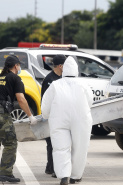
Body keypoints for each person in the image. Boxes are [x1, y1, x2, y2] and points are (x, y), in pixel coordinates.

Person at [41, 56, 93, 185]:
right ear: (75, 70)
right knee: (80, 147)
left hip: (58, 120)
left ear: (64, 71)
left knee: (60, 148)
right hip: (81, 120)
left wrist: (46, 115)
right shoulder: (84, 84)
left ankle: (64, 176)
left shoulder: (55, 84)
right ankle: (75, 176)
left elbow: (45, 105)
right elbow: (90, 102)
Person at [0, 55, 37, 183]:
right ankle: (5, 173)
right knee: (10, 143)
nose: (19, 67)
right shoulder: (15, 78)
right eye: (19, 65)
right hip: (1, 114)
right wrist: (30, 116)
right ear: (16, 66)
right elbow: (21, 99)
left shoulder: (0, 77)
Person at [41, 54, 66, 178]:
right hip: (51, 117)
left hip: (62, 117)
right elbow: (45, 101)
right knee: (52, 143)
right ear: (60, 66)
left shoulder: (64, 78)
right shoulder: (49, 80)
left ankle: (50, 167)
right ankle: (52, 168)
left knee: (57, 143)